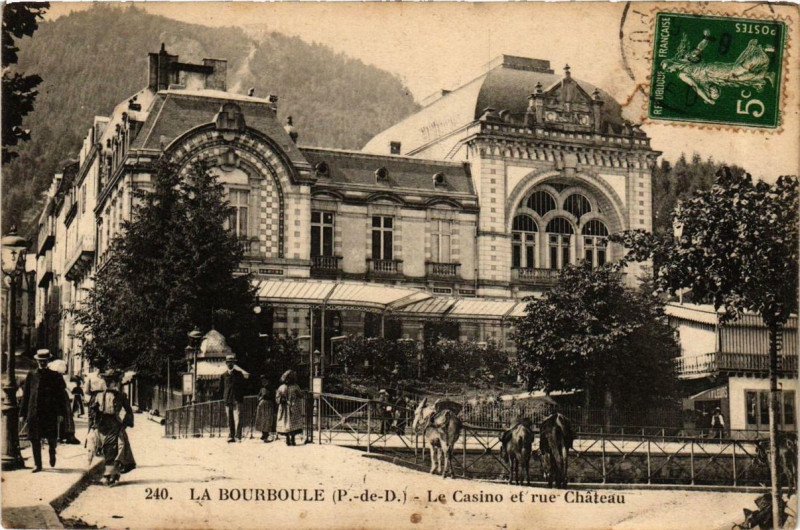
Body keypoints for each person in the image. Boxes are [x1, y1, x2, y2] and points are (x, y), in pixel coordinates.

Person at [20, 349, 68, 472]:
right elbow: (26, 395)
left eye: (44, 361)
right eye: (40, 361)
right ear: (37, 361)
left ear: (48, 361)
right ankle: (38, 465)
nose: (42, 363)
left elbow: (61, 397)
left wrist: (61, 413)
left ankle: (52, 451)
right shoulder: (31, 375)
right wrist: (23, 413)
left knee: (51, 437)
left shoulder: (55, 376)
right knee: (34, 438)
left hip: (49, 412)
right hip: (34, 412)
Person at [89, 369, 136, 486]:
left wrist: (125, 424)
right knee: (101, 448)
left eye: (111, 381)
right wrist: (94, 412)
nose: (108, 383)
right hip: (101, 424)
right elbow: (91, 411)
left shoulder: (120, 396)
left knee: (112, 449)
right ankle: (113, 474)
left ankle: (108, 475)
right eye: (106, 380)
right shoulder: (97, 394)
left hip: (114, 424)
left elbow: (129, 411)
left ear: (115, 382)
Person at [218, 354, 249, 443]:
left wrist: (241, 396)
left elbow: (244, 386)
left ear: (234, 363)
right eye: (228, 362)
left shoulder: (239, 374)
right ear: (226, 363)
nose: (230, 364)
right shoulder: (223, 375)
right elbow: (221, 388)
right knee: (229, 418)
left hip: (237, 399)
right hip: (228, 400)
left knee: (238, 418)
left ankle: (238, 436)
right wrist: (223, 397)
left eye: (231, 362)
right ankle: (231, 436)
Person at [275, 370, 304, 446]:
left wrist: (282, 400)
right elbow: (300, 395)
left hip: (284, 408)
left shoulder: (281, 387)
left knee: (286, 423)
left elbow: (277, 398)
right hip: (293, 407)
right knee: (292, 423)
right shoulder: (295, 387)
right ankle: (292, 439)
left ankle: (288, 439)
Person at [254, 375, 276, 443]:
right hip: (262, 405)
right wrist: (259, 397)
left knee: (267, 419)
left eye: (264, 380)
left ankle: (267, 434)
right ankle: (264, 433)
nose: (263, 381)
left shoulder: (270, 387)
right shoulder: (262, 388)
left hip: (268, 404)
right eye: (262, 380)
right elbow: (259, 395)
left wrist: (263, 396)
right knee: (261, 419)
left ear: (267, 380)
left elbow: (270, 395)